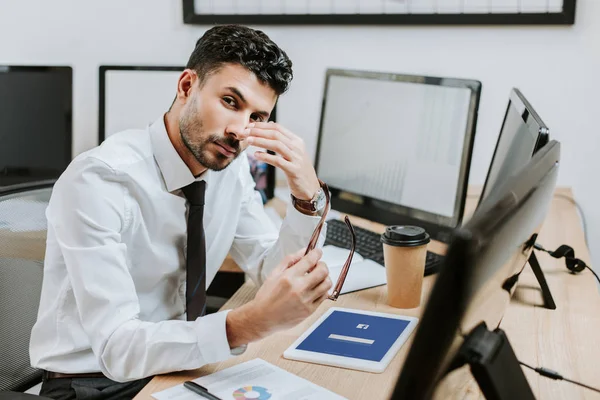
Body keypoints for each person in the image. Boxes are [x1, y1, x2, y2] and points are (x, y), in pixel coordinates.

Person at [30, 25, 332, 400]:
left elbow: (274, 275)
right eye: (230, 102)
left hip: (176, 364)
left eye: (257, 117)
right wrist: (245, 325)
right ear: (187, 86)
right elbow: (117, 348)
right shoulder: (100, 180)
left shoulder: (229, 169)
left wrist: (307, 197)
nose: (240, 131)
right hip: (91, 383)